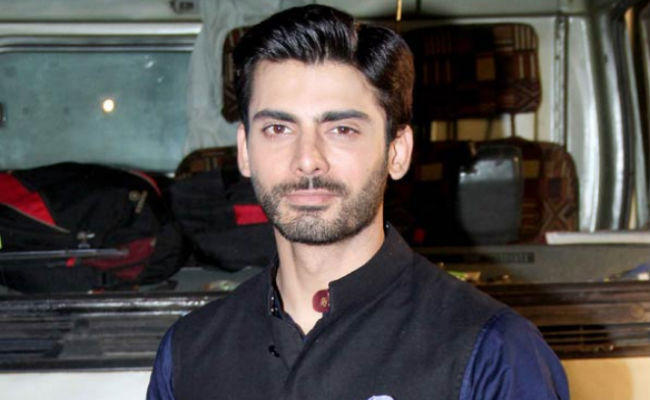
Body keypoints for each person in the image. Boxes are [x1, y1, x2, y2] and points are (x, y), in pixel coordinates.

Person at [147, 5, 569, 400]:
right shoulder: (188, 353)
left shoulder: (491, 352)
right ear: (244, 150)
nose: (307, 158)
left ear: (397, 152)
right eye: (278, 128)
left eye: (342, 129)